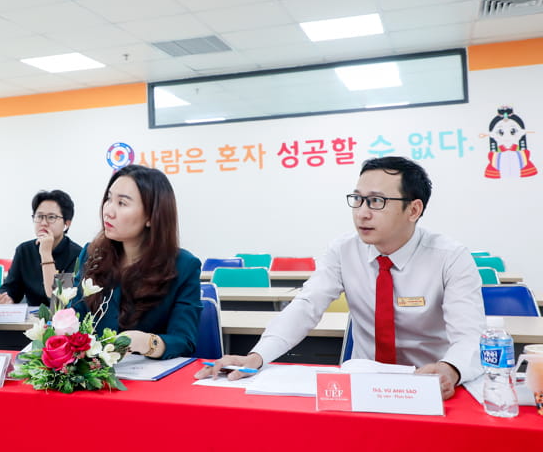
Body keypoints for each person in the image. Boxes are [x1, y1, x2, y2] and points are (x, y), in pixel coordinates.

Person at [196, 156, 485, 400]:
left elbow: (470, 336)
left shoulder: (450, 258)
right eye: (358, 200)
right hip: (364, 384)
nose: (362, 213)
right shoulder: (344, 250)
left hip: (431, 385)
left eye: (376, 201)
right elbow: (306, 306)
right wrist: (257, 357)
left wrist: (450, 369)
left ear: (414, 209)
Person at [73, 164, 202, 359]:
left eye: (122, 203)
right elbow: (73, 317)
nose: (108, 211)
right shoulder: (92, 255)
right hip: (92, 370)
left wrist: (147, 343)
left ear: (151, 216)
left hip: (148, 373)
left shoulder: (183, 266)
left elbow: (184, 340)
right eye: (109, 199)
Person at [0, 190, 81, 306]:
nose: (43, 223)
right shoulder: (24, 250)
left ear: (67, 223)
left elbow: (59, 300)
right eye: (39, 216)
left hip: (62, 316)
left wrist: (46, 253)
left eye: (51, 217)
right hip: (30, 316)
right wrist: (6, 297)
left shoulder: (77, 254)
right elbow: (11, 287)